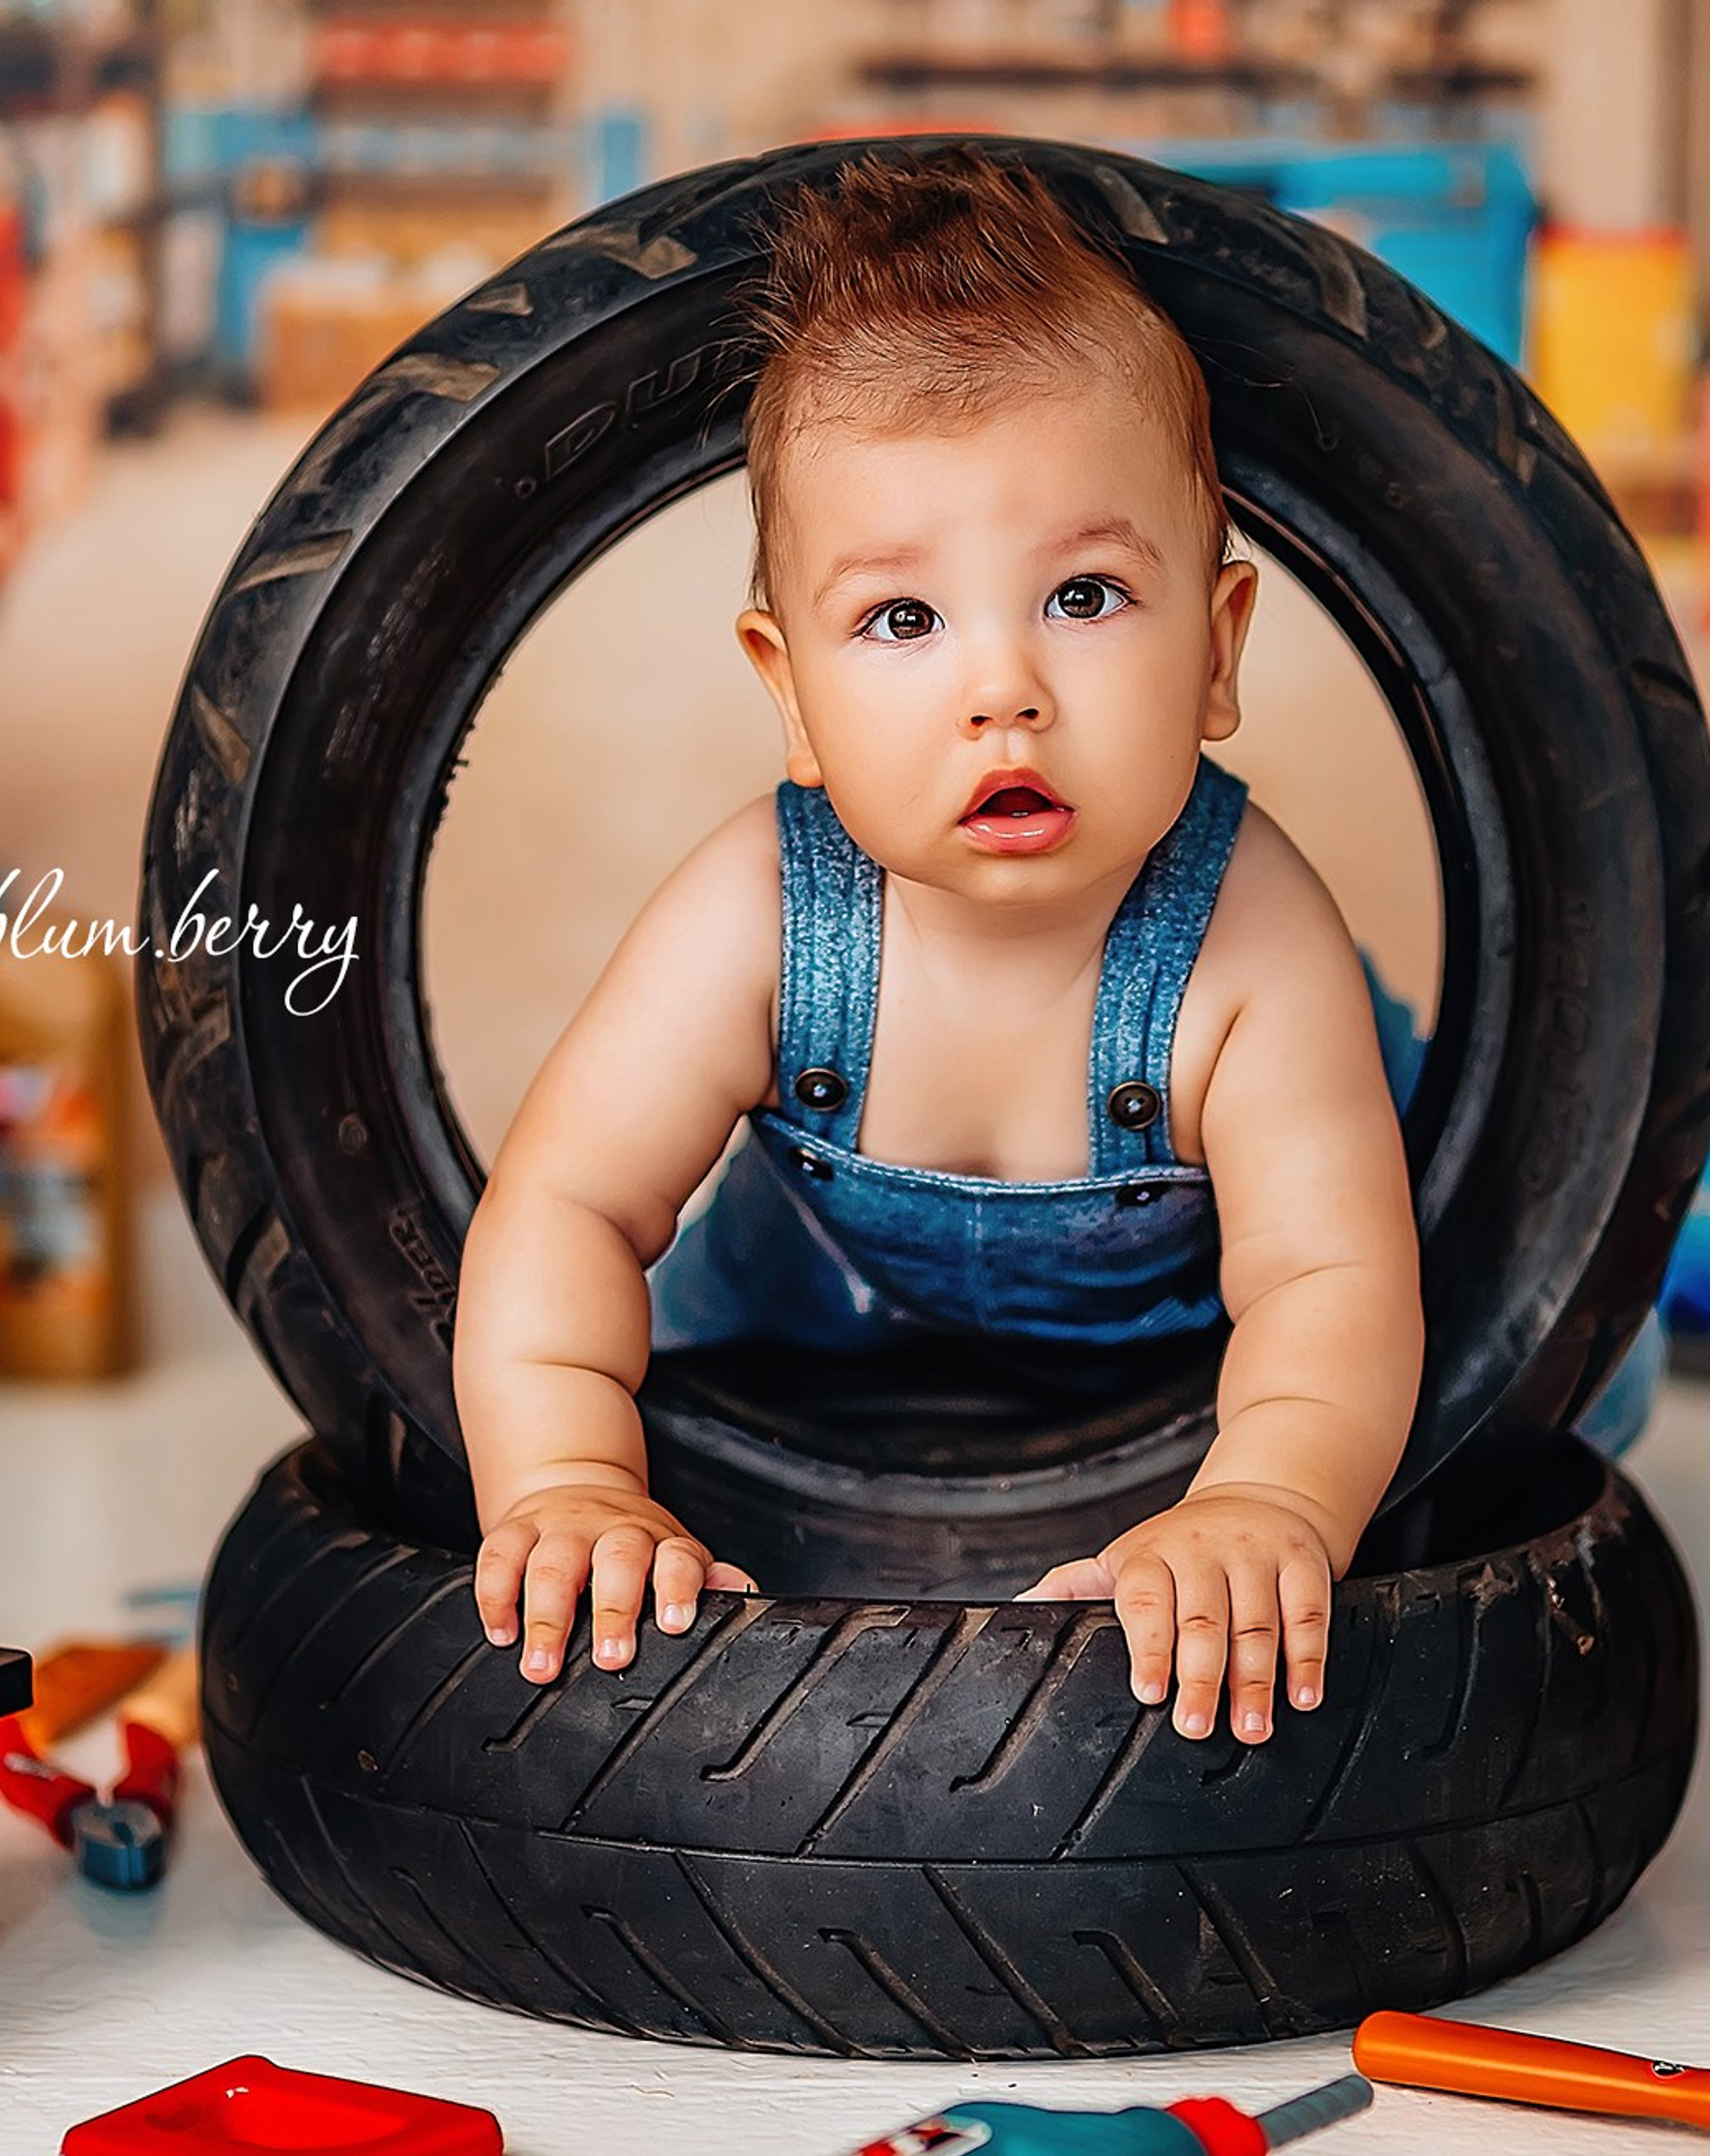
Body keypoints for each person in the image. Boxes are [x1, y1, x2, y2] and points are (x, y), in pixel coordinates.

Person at [455, 145, 1423, 1747]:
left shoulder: (1253, 940)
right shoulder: (757, 914)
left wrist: (1267, 1503)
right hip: (832, 1321)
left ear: (1219, 649)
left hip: (1199, 1344)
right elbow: (565, 1202)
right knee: (697, 1371)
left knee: (1491, 1386)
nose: (1005, 691)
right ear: (789, 690)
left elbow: (1331, 1277)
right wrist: (564, 1479)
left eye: (1088, 594)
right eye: (904, 620)